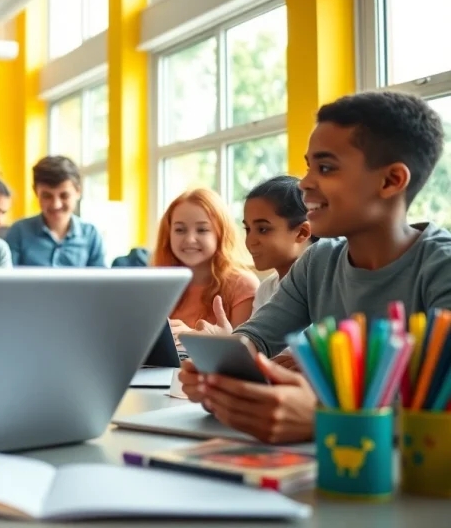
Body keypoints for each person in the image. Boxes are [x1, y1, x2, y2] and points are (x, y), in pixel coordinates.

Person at [177, 91, 451, 444]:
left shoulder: (440, 267)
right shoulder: (319, 261)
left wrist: (326, 418)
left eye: (325, 168)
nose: (305, 183)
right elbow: (257, 336)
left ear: (391, 181)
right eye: (308, 166)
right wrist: (221, 370)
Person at [156, 188, 259, 332]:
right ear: (168, 235)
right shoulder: (159, 284)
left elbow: (244, 350)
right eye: (180, 230)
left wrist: (191, 337)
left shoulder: (243, 286)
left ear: (221, 233)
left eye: (202, 230)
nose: (190, 239)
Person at [4, 156, 106, 267]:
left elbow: (101, 283)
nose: (56, 205)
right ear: (36, 192)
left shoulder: (91, 235)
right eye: (47, 196)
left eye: (64, 196)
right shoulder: (19, 232)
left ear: (78, 192)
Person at [242, 176, 314, 314]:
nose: (250, 241)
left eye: (263, 229)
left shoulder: (319, 288)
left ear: (302, 233)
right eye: (247, 229)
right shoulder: (266, 289)